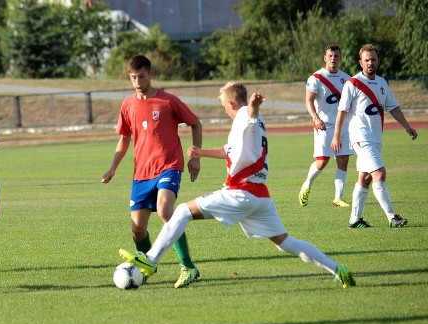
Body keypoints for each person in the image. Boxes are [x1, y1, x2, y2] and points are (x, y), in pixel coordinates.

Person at [119, 82, 356, 289]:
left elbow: (250, 113)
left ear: (232, 103)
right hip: (260, 197)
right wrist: (201, 152)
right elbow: (229, 150)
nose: (224, 110)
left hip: (241, 192)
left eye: (224, 105)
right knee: (286, 242)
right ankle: (338, 269)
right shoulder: (249, 126)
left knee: (181, 211)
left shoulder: (245, 115)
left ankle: (149, 260)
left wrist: (253, 104)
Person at [102, 54, 203, 289]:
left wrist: (195, 157)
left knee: (166, 212)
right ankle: (147, 264)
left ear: (151, 75)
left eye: (142, 76)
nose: (138, 81)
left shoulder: (168, 101)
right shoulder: (127, 105)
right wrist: (113, 167)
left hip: (169, 166)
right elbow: (124, 139)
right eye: (133, 77)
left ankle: (188, 266)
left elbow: (195, 123)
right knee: (137, 227)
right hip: (141, 173)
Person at [332, 43, 418, 228]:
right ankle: (392, 217)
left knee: (365, 178)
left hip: (376, 137)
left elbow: (393, 107)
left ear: (378, 61)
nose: (370, 63)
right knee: (379, 172)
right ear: (360, 62)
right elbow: (342, 111)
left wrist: (406, 126)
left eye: (373, 59)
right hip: (360, 137)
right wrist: (336, 135)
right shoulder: (352, 83)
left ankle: (355, 220)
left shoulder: (382, 83)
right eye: (366, 60)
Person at [299, 44, 353, 208]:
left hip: (343, 125)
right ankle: (307, 184)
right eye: (330, 56)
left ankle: (338, 197)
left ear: (340, 58)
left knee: (343, 160)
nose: (333, 59)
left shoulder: (347, 78)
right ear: (325, 58)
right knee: (322, 161)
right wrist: (315, 117)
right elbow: (308, 100)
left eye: (336, 56)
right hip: (323, 125)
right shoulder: (316, 78)